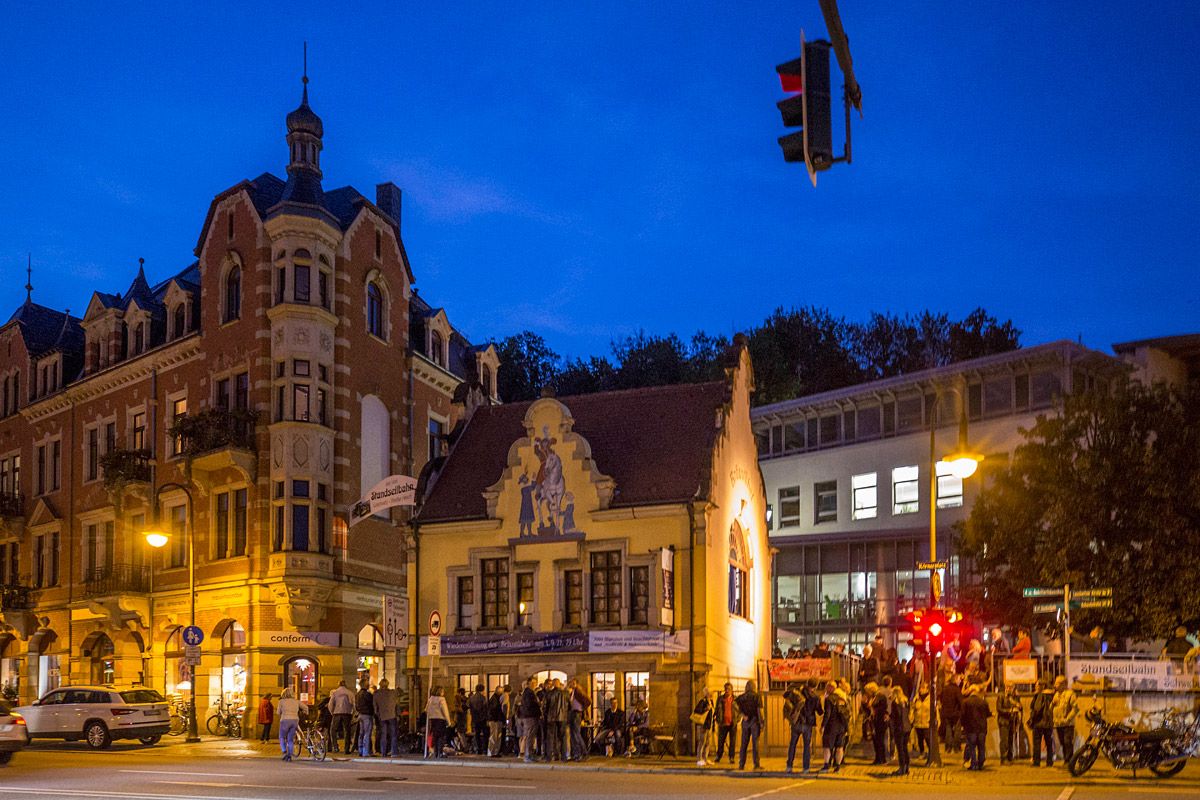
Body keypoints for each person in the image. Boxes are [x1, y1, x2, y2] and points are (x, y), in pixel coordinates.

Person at [785, 678, 822, 774]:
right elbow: (820, 712)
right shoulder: (815, 697)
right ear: (816, 686)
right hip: (808, 724)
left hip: (796, 722)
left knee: (792, 744)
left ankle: (789, 766)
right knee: (807, 746)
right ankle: (806, 768)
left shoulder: (798, 692)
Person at [820, 680, 850, 773]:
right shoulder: (842, 699)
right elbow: (846, 713)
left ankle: (826, 765)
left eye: (827, 687)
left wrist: (823, 725)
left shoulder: (829, 699)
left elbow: (827, 714)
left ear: (830, 688)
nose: (825, 689)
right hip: (841, 726)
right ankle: (837, 767)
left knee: (827, 746)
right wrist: (846, 727)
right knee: (839, 747)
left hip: (831, 726)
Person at [961, 682, 991, 771]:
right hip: (982, 728)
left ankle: (973, 764)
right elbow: (987, 714)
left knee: (972, 746)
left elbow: (962, 715)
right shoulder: (983, 702)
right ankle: (981, 763)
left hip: (970, 728)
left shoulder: (965, 702)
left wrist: (963, 726)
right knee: (981, 746)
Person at [737, 680, 764, 771]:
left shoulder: (741, 697)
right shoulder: (757, 697)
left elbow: (734, 705)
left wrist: (742, 715)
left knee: (744, 744)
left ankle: (741, 764)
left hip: (745, 722)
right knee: (755, 744)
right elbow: (759, 711)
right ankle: (756, 764)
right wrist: (762, 723)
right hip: (755, 722)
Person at [1029, 676, 1056, 767]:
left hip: (1039, 723)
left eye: (1037, 685)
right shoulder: (1051, 695)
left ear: (1042, 686)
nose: (1035, 687)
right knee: (1049, 743)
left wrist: (1031, 719)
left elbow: (1037, 709)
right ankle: (1049, 761)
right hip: (1048, 723)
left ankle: (1036, 761)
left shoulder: (1040, 695)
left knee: (1037, 743)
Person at [1051, 675, 1078, 763]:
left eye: (1057, 683)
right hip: (1058, 723)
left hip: (1068, 724)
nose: (1055, 685)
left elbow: (1075, 709)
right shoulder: (1056, 695)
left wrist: (1068, 719)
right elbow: (1051, 708)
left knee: (1067, 742)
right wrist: (1052, 704)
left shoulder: (1070, 694)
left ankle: (1070, 761)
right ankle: (1066, 760)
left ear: (1064, 684)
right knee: (1063, 742)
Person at [276, 688, 308, 762]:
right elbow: (306, 708)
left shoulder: (281, 701)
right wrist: (304, 712)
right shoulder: (296, 701)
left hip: (285, 720)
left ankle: (284, 752)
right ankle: (289, 755)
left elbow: (278, 712)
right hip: (295, 720)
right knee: (290, 739)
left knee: (282, 737)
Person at [516, 676, 541, 763]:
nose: (534, 684)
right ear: (529, 683)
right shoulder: (529, 692)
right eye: (533, 683)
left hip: (529, 716)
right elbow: (529, 705)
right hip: (530, 716)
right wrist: (538, 704)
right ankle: (528, 755)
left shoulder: (528, 692)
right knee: (530, 736)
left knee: (530, 736)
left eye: (535, 683)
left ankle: (529, 755)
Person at [714, 682, 740, 765]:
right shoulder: (720, 699)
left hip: (733, 723)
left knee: (732, 741)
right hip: (723, 723)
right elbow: (717, 710)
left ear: (732, 690)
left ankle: (731, 757)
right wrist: (717, 719)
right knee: (720, 741)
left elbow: (739, 710)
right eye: (725, 689)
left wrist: (737, 719)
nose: (727, 691)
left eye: (729, 689)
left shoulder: (735, 699)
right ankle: (718, 756)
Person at [996, 683, 1023, 764]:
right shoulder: (1001, 696)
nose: (1008, 689)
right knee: (1004, 740)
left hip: (1013, 721)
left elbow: (1020, 707)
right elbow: (999, 709)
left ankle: (1009, 757)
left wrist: (1017, 705)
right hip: (1004, 721)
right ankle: (1003, 759)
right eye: (1007, 687)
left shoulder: (1015, 697)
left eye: (1011, 687)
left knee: (1010, 739)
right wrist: (1010, 710)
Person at [542, 678, 567, 762]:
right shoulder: (566, 693)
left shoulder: (549, 693)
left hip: (551, 717)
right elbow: (569, 706)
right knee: (563, 737)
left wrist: (545, 715)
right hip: (562, 717)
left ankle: (549, 757)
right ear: (559, 684)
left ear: (553, 684)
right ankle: (563, 756)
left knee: (550, 737)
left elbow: (545, 706)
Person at [567, 678, 591, 761]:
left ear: (577, 684)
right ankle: (576, 754)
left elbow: (588, 701)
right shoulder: (572, 692)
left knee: (576, 734)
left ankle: (583, 753)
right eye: (571, 683)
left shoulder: (578, 691)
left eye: (573, 683)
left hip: (577, 713)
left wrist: (583, 709)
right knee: (573, 735)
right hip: (572, 713)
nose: (572, 684)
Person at [889, 686, 912, 776]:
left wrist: (890, 717)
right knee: (905, 748)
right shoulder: (905, 702)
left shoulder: (895, 703)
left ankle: (902, 767)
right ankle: (907, 767)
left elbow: (897, 715)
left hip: (899, 728)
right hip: (907, 727)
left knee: (900, 749)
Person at [373, 679, 398, 757]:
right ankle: (393, 752)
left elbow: (375, 707)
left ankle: (383, 752)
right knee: (393, 734)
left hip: (382, 716)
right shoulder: (392, 693)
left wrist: (377, 714)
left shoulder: (376, 694)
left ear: (380, 685)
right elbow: (397, 704)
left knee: (383, 735)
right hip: (392, 715)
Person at [329, 680, 354, 754]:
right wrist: (352, 712)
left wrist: (332, 712)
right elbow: (353, 703)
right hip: (347, 713)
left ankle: (335, 747)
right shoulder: (349, 692)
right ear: (345, 684)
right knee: (347, 731)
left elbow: (330, 704)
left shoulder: (335, 693)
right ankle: (346, 749)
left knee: (333, 730)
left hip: (337, 713)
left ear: (338, 684)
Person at [425, 686, 451, 758]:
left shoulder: (430, 699)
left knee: (435, 736)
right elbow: (445, 711)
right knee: (441, 736)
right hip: (440, 719)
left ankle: (435, 752)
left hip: (433, 719)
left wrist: (431, 715)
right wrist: (449, 721)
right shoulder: (442, 699)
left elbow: (426, 709)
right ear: (440, 692)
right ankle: (440, 753)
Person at [940, 674, 963, 753]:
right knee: (957, 730)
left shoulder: (945, 689)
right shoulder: (957, 689)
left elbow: (941, 699)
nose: (960, 681)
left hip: (946, 712)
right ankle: (957, 747)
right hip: (955, 713)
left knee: (948, 729)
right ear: (955, 680)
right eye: (959, 679)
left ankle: (948, 747)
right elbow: (960, 702)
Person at [869, 680, 890, 765]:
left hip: (880, 721)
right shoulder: (875, 697)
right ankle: (878, 758)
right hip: (876, 720)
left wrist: (875, 711)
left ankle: (882, 758)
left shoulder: (880, 696)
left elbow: (883, 707)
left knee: (880, 741)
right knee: (876, 741)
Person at [693, 688, 715, 766]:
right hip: (703, 725)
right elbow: (696, 711)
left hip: (709, 725)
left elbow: (712, 714)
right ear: (707, 694)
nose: (712, 694)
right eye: (710, 693)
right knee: (702, 741)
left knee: (708, 742)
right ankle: (699, 759)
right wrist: (705, 709)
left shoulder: (711, 702)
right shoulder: (703, 701)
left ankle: (705, 758)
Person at [486, 684, 508, 757]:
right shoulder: (495, 699)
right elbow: (494, 710)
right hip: (495, 720)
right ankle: (492, 751)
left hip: (496, 720)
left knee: (497, 736)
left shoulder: (495, 698)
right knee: (494, 736)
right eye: (501, 691)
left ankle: (495, 752)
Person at [355, 680, 375, 757]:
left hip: (360, 714)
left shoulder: (357, 694)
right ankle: (365, 751)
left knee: (361, 733)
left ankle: (360, 750)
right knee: (367, 733)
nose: (368, 685)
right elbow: (371, 704)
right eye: (367, 684)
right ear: (364, 685)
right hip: (367, 715)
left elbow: (356, 705)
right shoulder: (367, 694)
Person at [468, 683, 489, 756]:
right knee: (486, 734)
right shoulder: (483, 698)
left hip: (475, 718)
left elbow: (470, 708)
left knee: (477, 734)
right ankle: (485, 749)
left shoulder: (471, 698)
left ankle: (478, 749)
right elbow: (485, 709)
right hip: (483, 718)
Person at [911, 684, 931, 756]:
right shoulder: (916, 698)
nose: (921, 690)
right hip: (918, 722)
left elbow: (935, 711)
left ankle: (931, 752)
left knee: (928, 738)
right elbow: (912, 709)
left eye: (923, 688)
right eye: (920, 688)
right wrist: (911, 718)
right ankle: (922, 752)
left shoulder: (930, 699)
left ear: (927, 689)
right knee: (920, 739)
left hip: (926, 722)